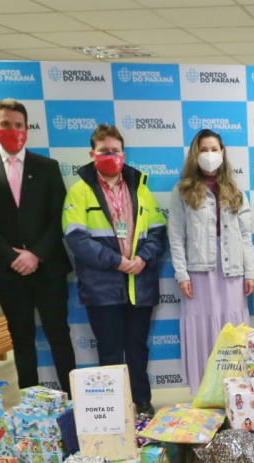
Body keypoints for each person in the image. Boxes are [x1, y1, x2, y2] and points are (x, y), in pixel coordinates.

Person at [0, 98, 76, 391]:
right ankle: (30, 403)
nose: (13, 130)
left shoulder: (47, 167)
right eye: (6, 124)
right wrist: (11, 256)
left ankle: (72, 399)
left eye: (18, 125)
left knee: (58, 334)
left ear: (26, 129)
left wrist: (36, 254)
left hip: (49, 265)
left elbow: (58, 216)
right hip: (7, 270)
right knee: (21, 337)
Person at [63, 124, 166, 418]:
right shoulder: (80, 190)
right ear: (92, 154)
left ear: (123, 153)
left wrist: (142, 259)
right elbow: (76, 239)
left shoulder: (140, 188)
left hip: (139, 284)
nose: (111, 156)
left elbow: (158, 233)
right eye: (104, 151)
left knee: (137, 348)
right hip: (101, 287)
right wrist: (117, 261)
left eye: (115, 151)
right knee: (109, 352)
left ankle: (142, 402)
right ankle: (114, 409)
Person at [169, 129, 254, 394]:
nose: (209, 154)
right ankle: (201, 394)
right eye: (204, 149)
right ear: (196, 154)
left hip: (231, 271)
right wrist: (182, 274)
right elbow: (175, 235)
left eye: (214, 149)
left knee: (232, 333)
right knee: (203, 332)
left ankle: (236, 393)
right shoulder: (182, 190)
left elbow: (245, 235)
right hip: (199, 272)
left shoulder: (234, 190)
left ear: (222, 153)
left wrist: (250, 271)